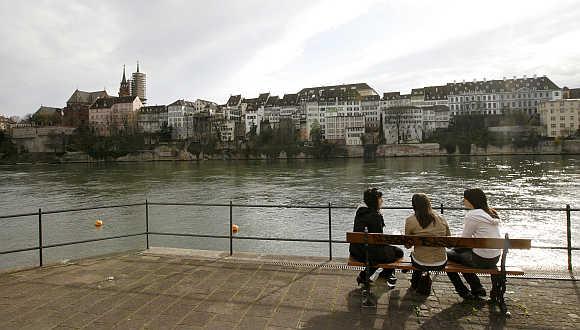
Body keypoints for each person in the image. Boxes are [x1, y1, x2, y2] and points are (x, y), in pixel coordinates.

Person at [447, 188, 501, 300]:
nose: (463, 201)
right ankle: (477, 288)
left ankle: (465, 290)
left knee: (447, 257)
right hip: (495, 258)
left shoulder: (472, 215)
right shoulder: (492, 213)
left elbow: (464, 240)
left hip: (479, 260)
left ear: (471, 200)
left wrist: (454, 247)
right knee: (460, 255)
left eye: (465, 198)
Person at [349, 187, 404, 286]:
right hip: (367, 254)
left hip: (356, 251)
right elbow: (379, 240)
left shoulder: (360, 212)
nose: (382, 200)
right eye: (380, 198)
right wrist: (390, 239)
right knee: (398, 253)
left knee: (381, 253)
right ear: (375, 201)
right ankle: (382, 277)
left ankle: (363, 276)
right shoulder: (375, 216)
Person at [404, 193, 451, 293]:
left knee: (416, 255)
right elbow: (449, 241)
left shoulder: (410, 220)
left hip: (420, 262)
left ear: (414, 206)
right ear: (429, 204)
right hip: (440, 262)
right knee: (420, 255)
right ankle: (418, 282)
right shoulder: (441, 218)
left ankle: (415, 283)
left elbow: (407, 245)